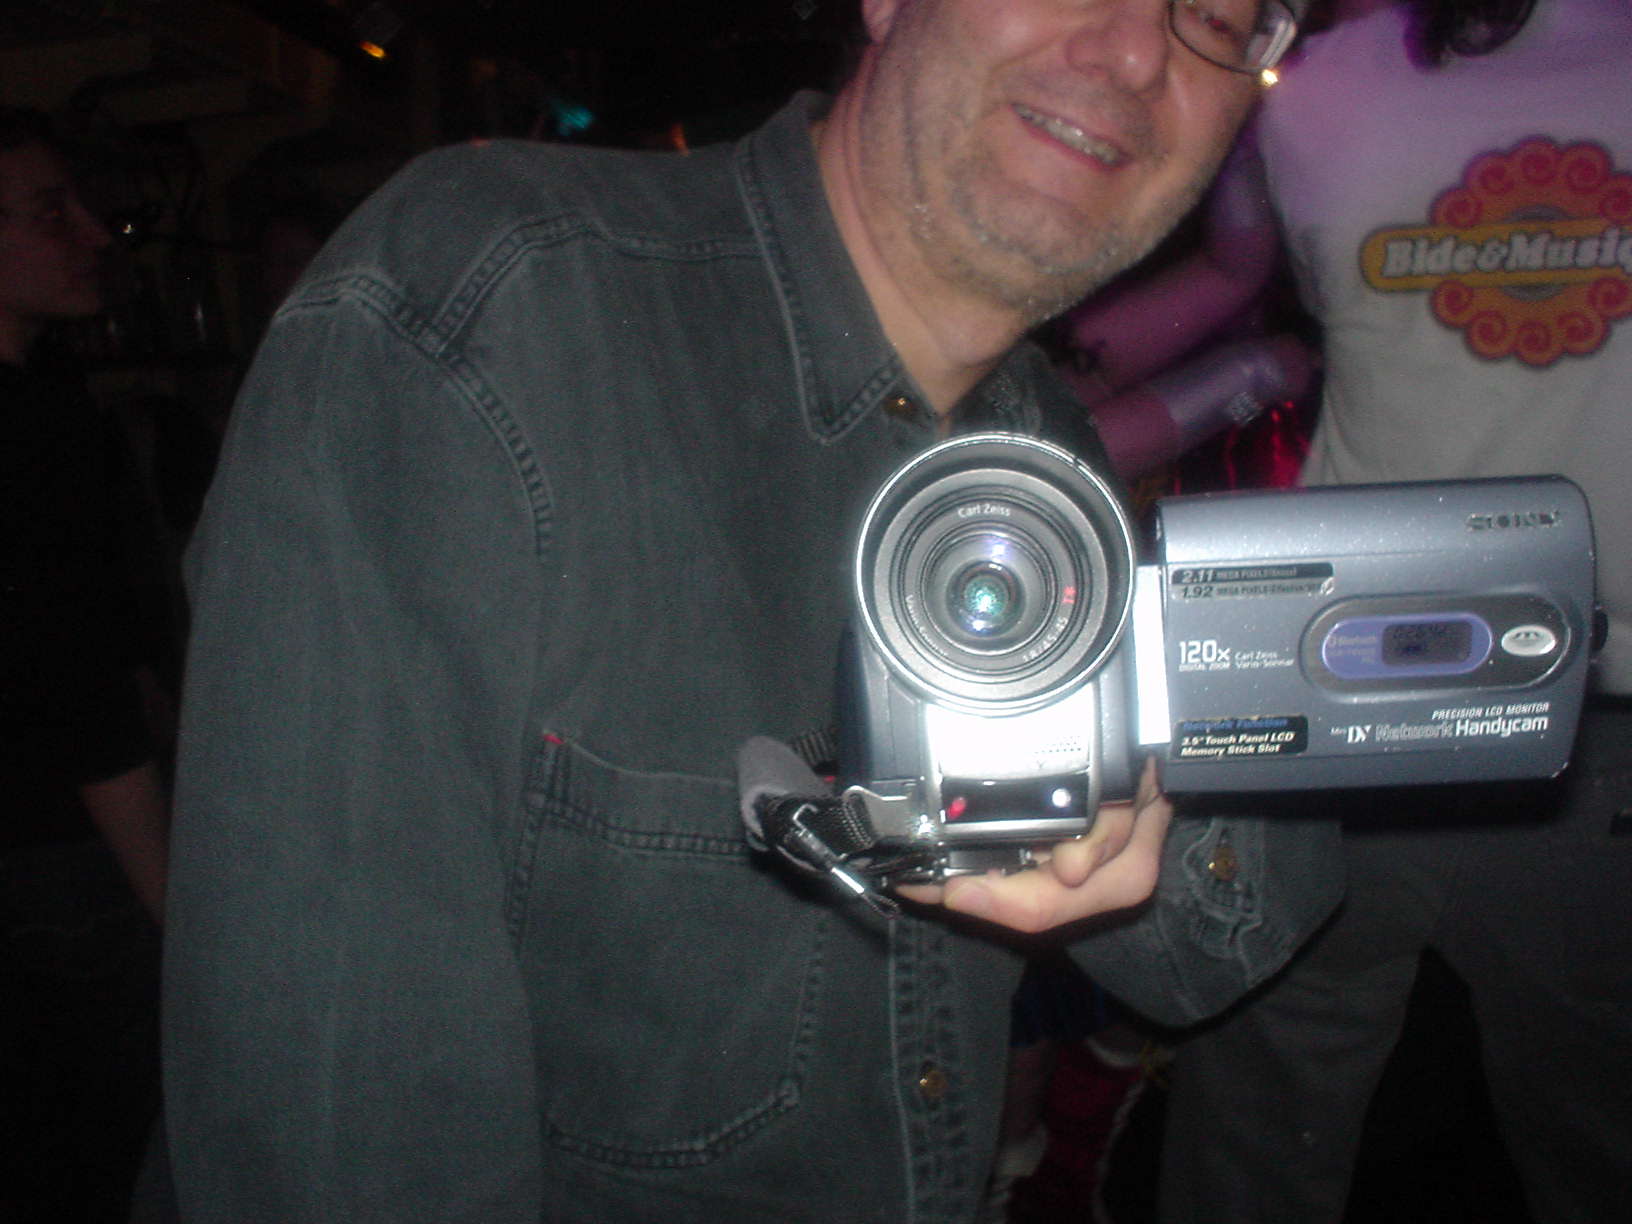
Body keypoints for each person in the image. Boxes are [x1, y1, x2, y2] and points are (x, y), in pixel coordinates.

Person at [162, 2, 1341, 1220]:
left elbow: (1209, 958)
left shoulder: (1041, 457)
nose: (1139, 52)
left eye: (1220, 11)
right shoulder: (481, 307)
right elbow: (331, 1147)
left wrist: (1161, 759)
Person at [1068, 1, 1632, 1219]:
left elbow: (1226, 283)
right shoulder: (1295, 81)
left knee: (1565, 1116)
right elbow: (1218, 281)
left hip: (1552, 709)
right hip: (1337, 704)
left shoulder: (1309, 80)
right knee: (1279, 1110)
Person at [1, 106, 172, 1220]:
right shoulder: (35, 428)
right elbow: (83, 698)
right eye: (47, 211)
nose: (94, 233)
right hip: (69, 863)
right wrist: (180, 909)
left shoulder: (50, 402)